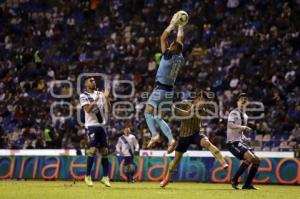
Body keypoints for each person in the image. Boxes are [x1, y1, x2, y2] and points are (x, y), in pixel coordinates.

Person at [160, 91, 228, 188]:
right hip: (183, 136)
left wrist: (174, 108)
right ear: (198, 98)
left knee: (207, 143)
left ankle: (223, 163)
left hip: (195, 134)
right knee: (176, 160)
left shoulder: (202, 109)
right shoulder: (185, 103)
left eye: (206, 101)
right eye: (204, 100)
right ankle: (166, 179)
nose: (205, 103)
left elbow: (187, 114)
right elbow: (180, 115)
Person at [144, 12, 185, 154]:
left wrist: (173, 24)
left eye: (172, 45)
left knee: (147, 113)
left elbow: (163, 37)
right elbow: (180, 41)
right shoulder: (180, 57)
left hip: (160, 89)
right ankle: (171, 140)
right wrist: (181, 27)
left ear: (173, 48)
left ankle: (154, 135)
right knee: (158, 116)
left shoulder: (168, 56)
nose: (170, 45)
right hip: (169, 91)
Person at [79, 77, 111, 187]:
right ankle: (87, 176)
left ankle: (105, 177)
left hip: (101, 126)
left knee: (105, 151)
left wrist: (106, 98)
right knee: (92, 150)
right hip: (91, 126)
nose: (93, 82)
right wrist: (96, 100)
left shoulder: (100, 94)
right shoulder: (83, 96)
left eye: (94, 80)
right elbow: (87, 110)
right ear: (86, 84)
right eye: (91, 80)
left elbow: (109, 110)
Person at [226, 93, 260, 190]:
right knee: (250, 157)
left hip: (240, 142)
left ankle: (247, 184)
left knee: (257, 160)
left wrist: (248, 140)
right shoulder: (233, 113)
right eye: (241, 99)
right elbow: (230, 125)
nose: (243, 100)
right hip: (232, 143)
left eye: (245, 99)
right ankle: (234, 180)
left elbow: (240, 133)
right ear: (237, 102)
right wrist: (244, 127)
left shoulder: (245, 116)